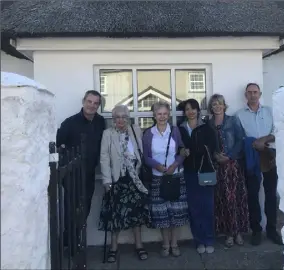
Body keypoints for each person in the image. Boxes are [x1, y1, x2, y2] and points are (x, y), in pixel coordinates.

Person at [98, 104, 150, 262]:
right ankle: (113, 248)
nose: (120, 120)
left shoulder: (135, 130)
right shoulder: (108, 133)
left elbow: (140, 151)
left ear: (128, 118)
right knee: (116, 214)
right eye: (117, 117)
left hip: (135, 178)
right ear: (113, 119)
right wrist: (106, 180)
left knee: (136, 215)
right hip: (117, 179)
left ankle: (139, 246)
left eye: (123, 117)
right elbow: (104, 157)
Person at [236, 82, 283, 246]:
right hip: (251, 157)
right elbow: (238, 136)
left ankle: (271, 230)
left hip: (269, 155)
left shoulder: (270, 111)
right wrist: (253, 143)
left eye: (255, 92)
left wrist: (264, 140)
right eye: (249, 92)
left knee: (271, 195)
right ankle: (256, 230)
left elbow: (278, 130)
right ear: (245, 95)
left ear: (260, 94)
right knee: (252, 194)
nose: (253, 95)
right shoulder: (239, 115)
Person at [56, 90, 105, 248]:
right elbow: (58, 147)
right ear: (83, 101)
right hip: (71, 175)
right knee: (71, 210)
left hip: (90, 173)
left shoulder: (100, 122)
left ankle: (75, 240)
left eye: (96, 103)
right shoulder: (69, 123)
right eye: (89, 101)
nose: (92, 105)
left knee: (85, 209)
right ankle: (69, 244)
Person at [142, 101, 188, 257]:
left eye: (165, 113)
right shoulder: (148, 134)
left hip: (176, 176)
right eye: (159, 113)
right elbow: (146, 156)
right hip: (158, 178)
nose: (162, 116)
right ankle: (165, 244)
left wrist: (175, 165)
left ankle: (174, 244)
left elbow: (182, 150)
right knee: (162, 213)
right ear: (154, 115)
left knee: (176, 212)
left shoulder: (175, 131)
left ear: (169, 115)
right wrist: (158, 166)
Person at [207, 94, 250, 247]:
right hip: (218, 167)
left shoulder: (232, 120)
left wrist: (229, 156)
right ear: (211, 108)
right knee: (223, 200)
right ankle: (228, 234)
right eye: (214, 104)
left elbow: (240, 140)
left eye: (219, 104)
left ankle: (238, 232)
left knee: (236, 199)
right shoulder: (209, 123)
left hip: (233, 166)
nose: (217, 107)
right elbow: (208, 144)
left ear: (224, 106)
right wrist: (215, 156)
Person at [178, 99, 217, 254]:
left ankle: (209, 239)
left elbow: (212, 147)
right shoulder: (180, 129)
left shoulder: (206, 128)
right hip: (189, 173)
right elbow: (177, 147)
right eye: (187, 109)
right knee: (194, 209)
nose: (191, 111)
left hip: (206, 171)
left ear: (198, 110)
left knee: (207, 207)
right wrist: (181, 151)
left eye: (193, 108)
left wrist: (192, 150)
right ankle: (199, 241)